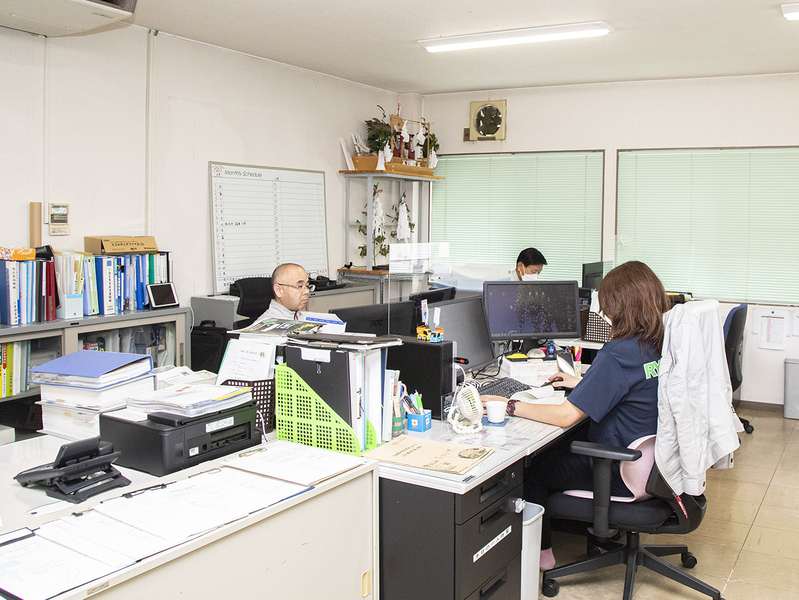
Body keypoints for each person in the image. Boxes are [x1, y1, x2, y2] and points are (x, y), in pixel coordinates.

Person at [481, 260, 671, 572]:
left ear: (621, 306)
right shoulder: (655, 345)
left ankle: (542, 555)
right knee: (562, 444)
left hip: (620, 471)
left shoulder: (617, 353)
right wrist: (584, 382)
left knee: (533, 469)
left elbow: (565, 416)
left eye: (607, 305)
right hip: (652, 465)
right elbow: (628, 385)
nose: (604, 313)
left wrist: (509, 404)